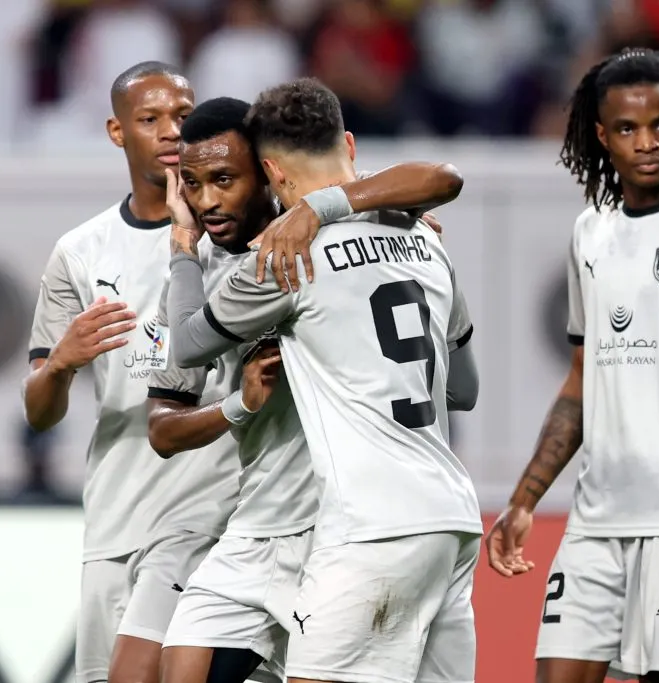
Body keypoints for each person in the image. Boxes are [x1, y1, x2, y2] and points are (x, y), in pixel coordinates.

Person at [163, 78, 482, 683]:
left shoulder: (285, 258)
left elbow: (187, 342)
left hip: (372, 526)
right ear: (351, 147)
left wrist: (182, 247)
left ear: (271, 174)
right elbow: (462, 392)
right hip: (453, 518)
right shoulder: (424, 237)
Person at [484, 48, 659, 683]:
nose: (647, 142)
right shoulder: (590, 232)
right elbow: (584, 378)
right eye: (627, 128)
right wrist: (526, 499)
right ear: (600, 134)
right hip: (598, 515)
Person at [23, 62, 244, 683]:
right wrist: (62, 363)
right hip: (118, 516)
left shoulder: (238, 235)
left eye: (183, 114)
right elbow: (39, 411)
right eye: (151, 119)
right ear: (118, 132)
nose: (173, 131)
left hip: (217, 513)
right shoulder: (81, 250)